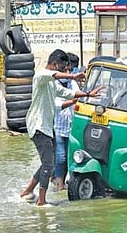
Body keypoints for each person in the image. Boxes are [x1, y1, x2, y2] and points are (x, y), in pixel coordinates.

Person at [19, 49, 103, 206]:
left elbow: (67, 93)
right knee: (49, 164)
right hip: (38, 126)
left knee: (48, 163)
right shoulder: (41, 75)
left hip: (47, 127)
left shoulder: (51, 84)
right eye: (63, 68)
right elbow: (54, 76)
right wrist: (73, 76)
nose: (65, 71)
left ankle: (27, 191)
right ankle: (41, 201)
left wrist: (88, 95)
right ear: (55, 64)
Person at [52, 52, 81, 191]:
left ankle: (70, 183)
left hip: (72, 128)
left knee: (72, 157)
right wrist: (72, 101)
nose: (68, 72)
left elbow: (80, 99)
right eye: (65, 70)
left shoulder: (73, 84)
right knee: (61, 158)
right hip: (58, 128)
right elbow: (57, 105)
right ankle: (59, 185)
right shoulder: (54, 84)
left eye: (69, 70)